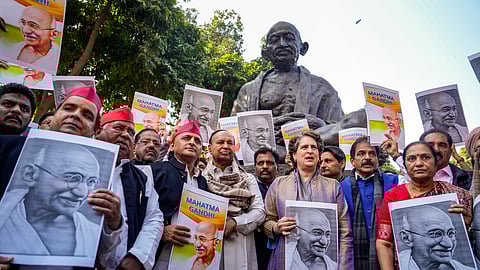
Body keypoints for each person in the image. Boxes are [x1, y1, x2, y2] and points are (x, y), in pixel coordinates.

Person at [0, 87, 124, 269]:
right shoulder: (7, 148)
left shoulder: (102, 171)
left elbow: (103, 254)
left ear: (94, 130)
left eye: (87, 115)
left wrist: (113, 223)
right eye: (69, 108)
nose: (75, 116)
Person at [232, 21, 366, 148]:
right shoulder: (248, 91)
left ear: (303, 48)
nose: (282, 44)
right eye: (274, 40)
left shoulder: (321, 87)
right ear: (265, 53)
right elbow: (234, 131)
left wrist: (319, 123)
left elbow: (338, 127)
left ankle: (302, 142)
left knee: (363, 117)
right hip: (265, 151)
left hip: (311, 148)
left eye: (289, 38)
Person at [263, 130, 353, 270]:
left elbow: (345, 231)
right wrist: (275, 227)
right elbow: (266, 220)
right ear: (294, 155)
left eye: (314, 148)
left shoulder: (333, 186)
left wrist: (344, 267)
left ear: (319, 155)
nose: (310, 151)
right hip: (284, 260)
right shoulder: (278, 184)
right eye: (304, 147)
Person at [376, 141, 473, 270]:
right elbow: (384, 243)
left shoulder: (458, 196)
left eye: (426, 157)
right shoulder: (394, 197)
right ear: (405, 165)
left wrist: (467, 225)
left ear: (436, 163)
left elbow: (465, 243)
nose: (419, 163)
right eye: (411, 159)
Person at [0, 142, 102, 256]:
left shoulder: (91, 233)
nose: (82, 193)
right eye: (72, 178)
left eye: (91, 182)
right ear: (30, 174)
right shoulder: (3, 210)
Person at [96, 108, 164, 270]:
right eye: (118, 128)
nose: (126, 135)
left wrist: (138, 257)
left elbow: (154, 218)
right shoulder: (78, 163)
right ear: (98, 131)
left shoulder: (141, 178)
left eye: (130, 132)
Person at [203, 130, 265, 270]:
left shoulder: (247, 179)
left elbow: (259, 211)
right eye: (220, 142)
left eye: (230, 143)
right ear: (209, 148)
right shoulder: (201, 178)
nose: (225, 146)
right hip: (210, 240)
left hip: (240, 241)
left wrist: (236, 222)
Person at [152, 120, 210, 270]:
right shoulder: (156, 171)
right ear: (172, 145)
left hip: (189, 257)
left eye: (197, 141)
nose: (192, 143)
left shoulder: (203, 182)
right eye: (186, 138)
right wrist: (161, 232)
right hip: (157, 253)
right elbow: (138, 212)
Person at [337, 136, 399, 270]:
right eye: (361, 154)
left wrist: (396, 155)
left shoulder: (394, 181)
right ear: (352, 161)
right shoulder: (340, 188)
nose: (367, 157)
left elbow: (420, 178)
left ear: (377, 159)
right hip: (352, 258)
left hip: (388, 256)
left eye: (372, 154)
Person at [382, 129, 472, 190]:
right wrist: (395, 155)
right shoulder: (404, 182)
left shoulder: (469, 179)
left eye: (442, 145)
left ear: (451, 150)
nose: (436, 149)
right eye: (430, 145)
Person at [397, 205, 475, 270]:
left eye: (451, 233)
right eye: (436, 234)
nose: (449, 244)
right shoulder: (394, 265)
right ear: (406, 238)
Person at [10, 6, 60, 72]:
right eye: (23, 23)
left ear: (53, 34)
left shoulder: (55, 59)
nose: (25, 30)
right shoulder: (13, 48)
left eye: (33, 26)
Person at [253, 146, 279, 270]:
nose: (264, 166)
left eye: (269, 163)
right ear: (255, 167)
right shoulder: (248, 189)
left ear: (277, 167)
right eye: (260, 163)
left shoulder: (284, 188)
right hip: (255, 246)